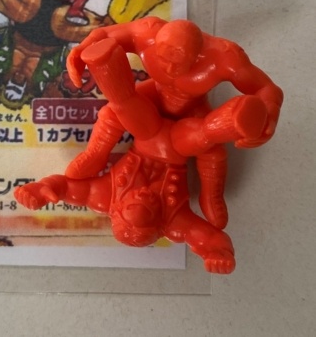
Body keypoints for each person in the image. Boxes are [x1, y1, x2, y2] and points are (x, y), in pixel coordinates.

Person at [15, 38, 271, 274]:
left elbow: (66, 188)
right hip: (180, 144)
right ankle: (239, 117)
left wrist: (42, 189)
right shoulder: (174, 222)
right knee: (207, 138)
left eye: (132, 203)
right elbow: (206, 236)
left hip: (149, 132)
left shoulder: (105, 197)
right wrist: (217, 252)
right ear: (159, 221)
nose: (143, 196)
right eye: (150, 207)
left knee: (123, 105)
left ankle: (105, 62)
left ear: (118, 209)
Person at [65, 17, 284, 229]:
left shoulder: (225, 56)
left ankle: (211, 195)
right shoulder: (144, 32)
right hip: (154, 94)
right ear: (155, 44)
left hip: (192, 109)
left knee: (212, 149)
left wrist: (269, 118)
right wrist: (80, 51)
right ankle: (95, 153)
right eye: (163, 58)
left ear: (197, 56)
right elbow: (103, 34)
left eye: (178, 62)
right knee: (112, 112)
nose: (169, 69)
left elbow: (266, 89)